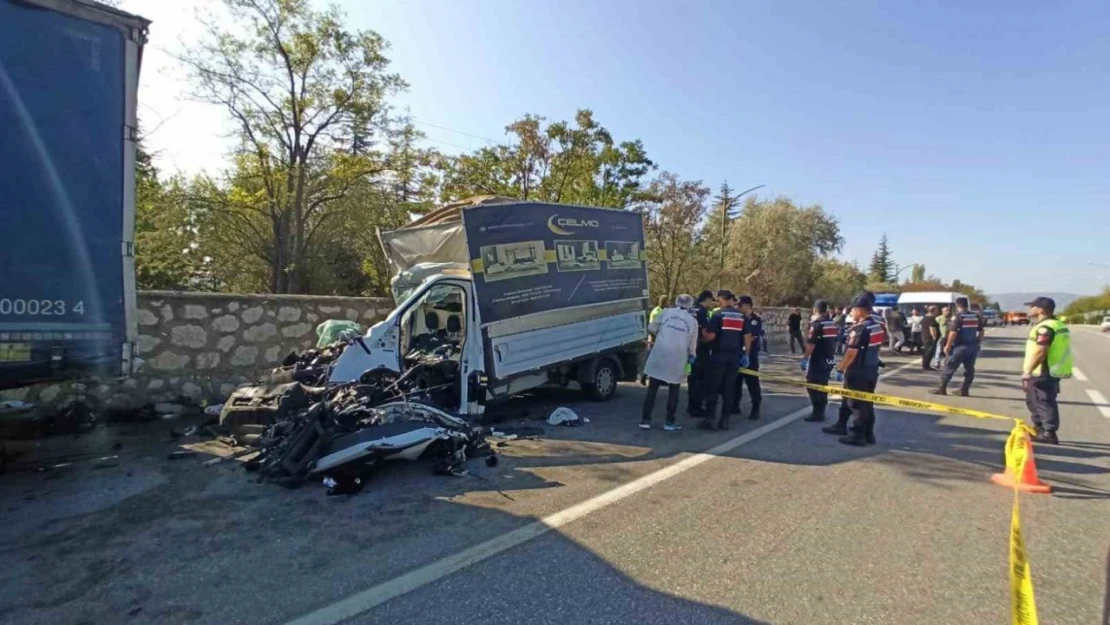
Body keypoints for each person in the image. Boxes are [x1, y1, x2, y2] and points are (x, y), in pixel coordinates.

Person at [826, 291, 886, 436]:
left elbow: (851, 352)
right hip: (871, 369)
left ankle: (858, 434)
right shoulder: (876, 325)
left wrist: (840, 369)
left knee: (856, 403)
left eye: (852, 310)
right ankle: (867, 433)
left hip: (858, 370)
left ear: (859, 310)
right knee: (866, 402)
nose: (851, 313)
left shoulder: (860, 328)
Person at [641, 294, 699, 431]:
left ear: (676, 302)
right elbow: (692, 342)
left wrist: (663, 333)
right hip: (678, 357)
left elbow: (651, 328)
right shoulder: (692, 321)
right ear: (690, 305)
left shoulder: (666, 313)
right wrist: (692, 354)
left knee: (653, 388)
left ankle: (645, 419)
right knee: (674, 389)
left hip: (660, 352)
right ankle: (669, 421)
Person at [1021, 297, 1073, 444]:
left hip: (1043, 370)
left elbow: (1040, 351)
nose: (1028, 309)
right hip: (1049, 369)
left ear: (1040, 310)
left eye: (1031, 306)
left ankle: (1049, 432)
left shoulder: (1046, 327)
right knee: (1033, 400)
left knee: (1043, 400)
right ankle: (1039, 428)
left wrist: (1028, 371)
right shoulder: (1056, 324)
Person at [698, 290, 750, 430]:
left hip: (718, 356)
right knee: (729, 388)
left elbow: (711, 336)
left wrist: (700, 341)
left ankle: (710, 419)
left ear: (721, 299)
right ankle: (725, 420)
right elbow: (747, 337)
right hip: (734, 357)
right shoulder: (741, 316)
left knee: (713, 388)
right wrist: (746, 355)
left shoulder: (718, 314)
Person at [930, 297, 984, 396]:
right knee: (970, 369)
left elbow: (953, 333)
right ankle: (964, 390)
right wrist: (978, 343)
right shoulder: (976, 316)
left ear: (957, 305)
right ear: (967, 305)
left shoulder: (957, 316)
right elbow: (981, 332)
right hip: (972, 348)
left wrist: (947, 345)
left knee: (949, 367)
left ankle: (942, 389)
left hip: (959, 347)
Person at [801, 300, 839, 422]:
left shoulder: (817, 324)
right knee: (823, 384)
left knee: (812, 384)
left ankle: (817, 412)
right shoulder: (831, 323)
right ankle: (821, 409)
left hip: (819, 359)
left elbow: (811, 344)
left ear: (815, 309)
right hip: (829, 358)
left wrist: (805, 358)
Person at [685, 290, 715, 417]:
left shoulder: (690, 309)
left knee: (691, 379)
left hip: (687, 348)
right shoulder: (702, 312)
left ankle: (691, 405)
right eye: (711, 301)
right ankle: (696, 408)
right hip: (700, 350)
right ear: (707, 299)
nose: (711, 304)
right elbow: (705, 333)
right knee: (701, 379)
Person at [734, 295, 763, 420]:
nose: (740, 308)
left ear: (748, 306)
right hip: (737, 355)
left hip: (750, 356)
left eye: (741, 306)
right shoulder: (739, 318)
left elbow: (751, 337)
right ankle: (734, 406)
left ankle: (755, 409)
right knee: (736, 382)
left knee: (752, 383)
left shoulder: (755, 320)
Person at [640, 295, 671, 385]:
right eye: (668, 301)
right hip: (655, 338)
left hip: (659, 337)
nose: (669, 303)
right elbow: (654, 327)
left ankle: (660, 379)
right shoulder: (657, 311)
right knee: (653, 359)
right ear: (664, 302)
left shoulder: (661, 310)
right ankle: (644, 376)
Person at [921, 305, 940, 370]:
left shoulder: (925, 317)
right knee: (929, 351)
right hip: (929, 338)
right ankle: (926, 366)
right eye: (937, 310)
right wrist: (934, 337)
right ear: (934, 310)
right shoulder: (931, 319)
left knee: (926, 351)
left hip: (924, 336)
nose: (937, 311)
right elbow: (932, 328)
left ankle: (925, 365)